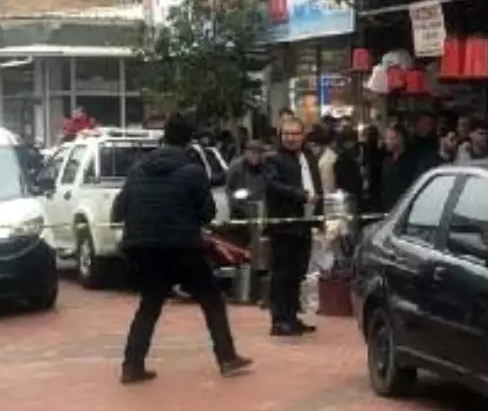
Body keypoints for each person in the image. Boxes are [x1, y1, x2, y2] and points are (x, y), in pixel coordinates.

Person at [110, 113, 252, 384]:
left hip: (144, 249)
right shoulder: (192, 171)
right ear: (189, 141)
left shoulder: (138, 169)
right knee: (211, 301)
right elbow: (208, 213)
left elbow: (118, 210)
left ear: (164, 136)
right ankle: (227, 357)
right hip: (182, 248)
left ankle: (132, 365)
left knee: (149, 306)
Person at [265, 118, 323, 337]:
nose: (290, 138)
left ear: (303, 135)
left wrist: (320, 216)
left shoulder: (308, 157)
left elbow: (317, 186)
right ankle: (279, 319)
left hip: (305, 223)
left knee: (298, 270)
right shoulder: (274, 159)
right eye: (286, 134)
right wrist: (301, 196)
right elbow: (272, 185)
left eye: (295, 133)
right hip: (284, 225)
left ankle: (292, 316)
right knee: (282, 273)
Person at [378, 123, 421, 213]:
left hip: (405, 207)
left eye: (389, 138)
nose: (386, 141)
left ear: (399, 139)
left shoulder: (412, 161)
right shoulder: (387, 161)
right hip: (388, 207)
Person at [309, 124, 339, 196]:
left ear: (322, 145)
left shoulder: (326, 162)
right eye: (310, 146)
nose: (312, 149)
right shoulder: (328, 155)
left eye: (314, 146)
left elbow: (327, 188)